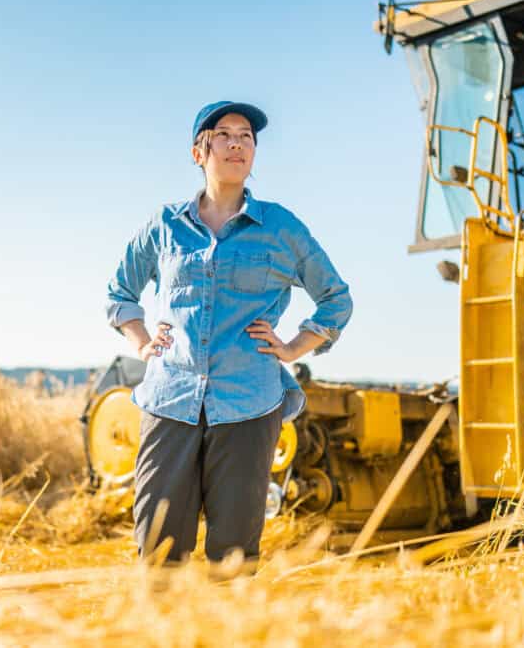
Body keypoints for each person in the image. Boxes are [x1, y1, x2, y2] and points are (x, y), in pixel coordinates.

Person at [103, 100, 353, 567]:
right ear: (200, 152)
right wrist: (140, 342)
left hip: (248, 404)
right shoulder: (164, 225)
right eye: (225, 134)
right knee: (158, 549)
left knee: (234, 555)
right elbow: (120, 291)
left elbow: (336, 299)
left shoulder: (281, 227)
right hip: (170, 398)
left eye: (247, 137)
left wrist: (294, 346)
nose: (238, 143)